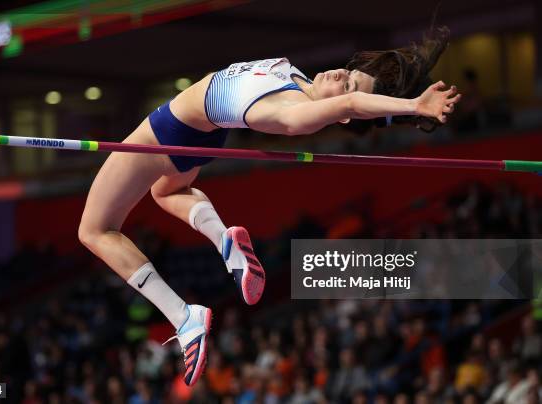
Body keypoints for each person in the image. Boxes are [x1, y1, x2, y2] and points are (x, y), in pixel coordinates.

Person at [77, 25, 461, 386]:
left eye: (348, 86)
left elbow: (356, 102)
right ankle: (226, 243)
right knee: (167, 193)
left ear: (344, 111)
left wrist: (413, 106)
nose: (340, 76)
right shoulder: (297, 79)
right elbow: (352, 96)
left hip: (169, 130)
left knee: (94, 230)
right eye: (348, 71)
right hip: (201, 130)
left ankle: (183, 317)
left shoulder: (295, 113)